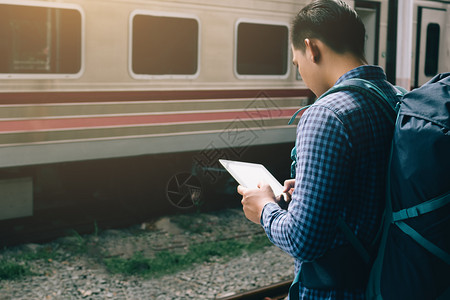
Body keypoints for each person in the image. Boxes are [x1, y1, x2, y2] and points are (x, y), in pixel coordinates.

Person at [237, 0, 399, 298]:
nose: (302, 77)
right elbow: (372, 187)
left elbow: (304, 241)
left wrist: (263, 208)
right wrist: (311, 189)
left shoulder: (325, 114)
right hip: (384, 279)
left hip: (336, 290)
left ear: (311, 48)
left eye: (298, 65)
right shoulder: (395, 98)